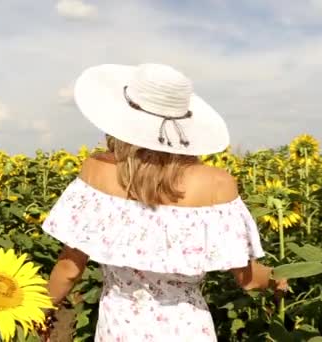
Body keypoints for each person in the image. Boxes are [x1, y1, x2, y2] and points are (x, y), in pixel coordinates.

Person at [39, 63, 288, 341]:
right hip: (189, 330)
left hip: (120, 328)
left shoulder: (97, 171)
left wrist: (43, 312)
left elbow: (69, 268)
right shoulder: (218, 184)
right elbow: (249, 279)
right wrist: (279, 278)